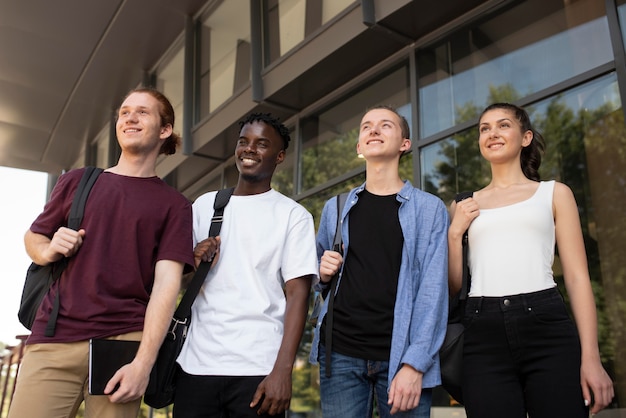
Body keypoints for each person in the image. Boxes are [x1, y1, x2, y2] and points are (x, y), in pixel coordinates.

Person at [8, 88, 195, 418]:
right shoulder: (78, 181)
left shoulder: (175, 206)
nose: (130, 118)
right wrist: (50, 249)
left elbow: (166, 288)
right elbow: (33, 237)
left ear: (164, 130)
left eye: (142, 112)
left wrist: (143, 364)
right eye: (124, 112)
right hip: (54, 339)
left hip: (122, 343)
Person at [448, 102, 615, 417]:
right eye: (485, 128)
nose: (492, 133)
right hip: (482, 332)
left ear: (525, 138)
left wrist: (591, 358)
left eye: (503, 125)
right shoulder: (462, 206)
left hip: (547, 325)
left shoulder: (554, 193)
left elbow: (578, 278)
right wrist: (454, 234)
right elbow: (454, 286)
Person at [174, 113, 318, 418]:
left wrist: (282, 372)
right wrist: (194, 263)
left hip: (259, 369)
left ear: (279, 157)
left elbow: (298, 296)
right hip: (196, 366)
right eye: (244, 142)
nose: (249, 149)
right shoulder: (205, 206)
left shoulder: (293, 216)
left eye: (261, 144)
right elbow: (177, 282)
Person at [309, 105, 450, 418]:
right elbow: (317, 278)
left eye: (386, 125)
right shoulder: (336, 207)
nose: (374, 130)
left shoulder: (430, 210)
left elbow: (434, 293)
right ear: (360, 147)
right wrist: (323, 272)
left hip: (402, 356)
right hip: (340, 355)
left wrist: (416, 363)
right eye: (366, 126)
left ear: (404, 144)